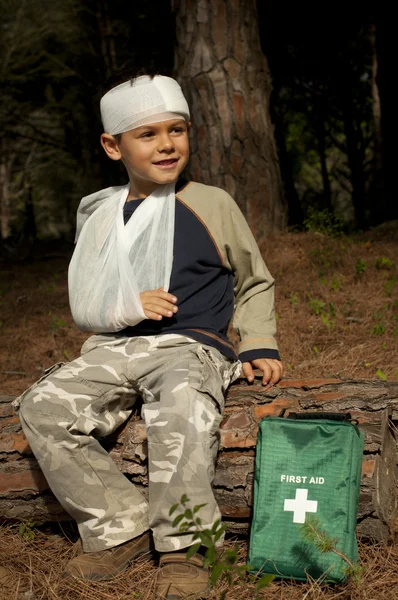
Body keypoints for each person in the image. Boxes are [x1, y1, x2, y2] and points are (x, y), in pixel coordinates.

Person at [15, 72, 283, 599]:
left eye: (177, 130)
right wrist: (125, 307)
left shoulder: (212, 203)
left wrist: (258, 342)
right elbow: (90, 301)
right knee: (41, 406)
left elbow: (255, 280)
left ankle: (188, 547)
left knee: (181, 407)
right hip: (113, 347)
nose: (167, 144)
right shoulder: (100, 215)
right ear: (113, 146)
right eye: (148, 134)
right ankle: (123, 526)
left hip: (191, 345)